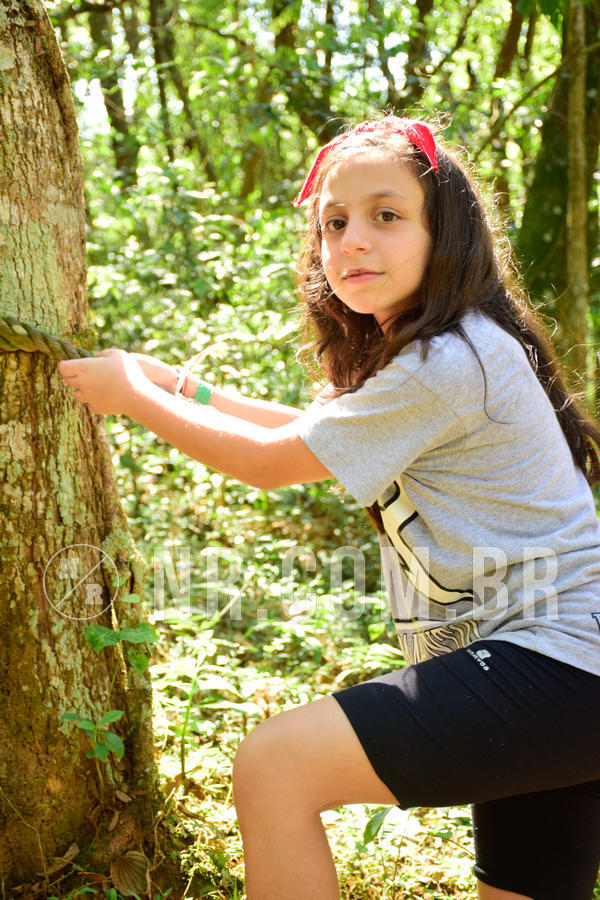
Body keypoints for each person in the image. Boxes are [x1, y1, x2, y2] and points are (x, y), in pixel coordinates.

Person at [58, 115, 600, 900]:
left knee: (275, 766)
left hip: (556, 663)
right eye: (334, 223)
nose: (352, 240)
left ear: (445, 235)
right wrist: (178, 385)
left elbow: (269, 462)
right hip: (562, 673)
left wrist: (133, 397)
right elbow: (312, 434)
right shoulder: (446, 350)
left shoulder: (450, 359)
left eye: (387, 215)